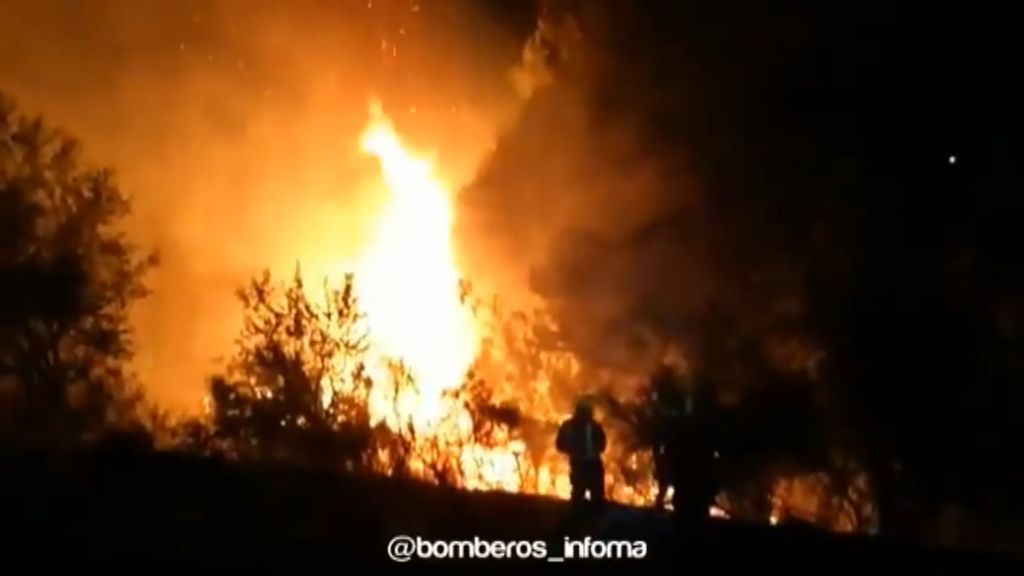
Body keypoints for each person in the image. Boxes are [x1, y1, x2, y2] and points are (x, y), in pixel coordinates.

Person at [556, 397, 607, 512]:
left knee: (588, 494)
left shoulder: (589, 426)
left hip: (586, 463)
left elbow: (602, 444)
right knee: (583, 494)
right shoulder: (592, 425)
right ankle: (583, 520)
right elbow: (602, 444)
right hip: (585, 463)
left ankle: (584, 518)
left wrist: (571, 450)